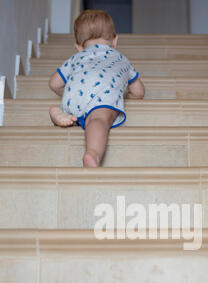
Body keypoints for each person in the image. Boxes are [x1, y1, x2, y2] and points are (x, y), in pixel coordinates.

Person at [48, 9, 145, 167]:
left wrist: (67, 92)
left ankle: (63, 111)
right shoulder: (122, 59)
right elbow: (139, 92)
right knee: (98, 119)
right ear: (115, 41)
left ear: (79, 46)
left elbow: (54, 83)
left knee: (79, 109)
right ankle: (93, 153)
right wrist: (124, 93)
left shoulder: (77, 57)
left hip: (74, 95)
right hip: (103, 99)